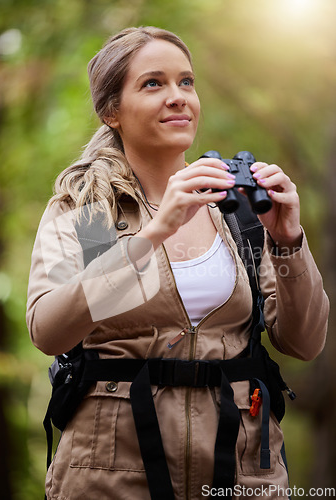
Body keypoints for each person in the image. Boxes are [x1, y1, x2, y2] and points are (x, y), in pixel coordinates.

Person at [26, 26, 329, 500]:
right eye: (153, 83)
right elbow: (50, 331)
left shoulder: (237, 209)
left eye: (186, 82)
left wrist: (288, 239)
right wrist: (153, 234)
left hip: (242, 471)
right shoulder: (92, 209)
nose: (177, 97)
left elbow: (305, 342)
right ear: (111, 112)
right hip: (111, 475)